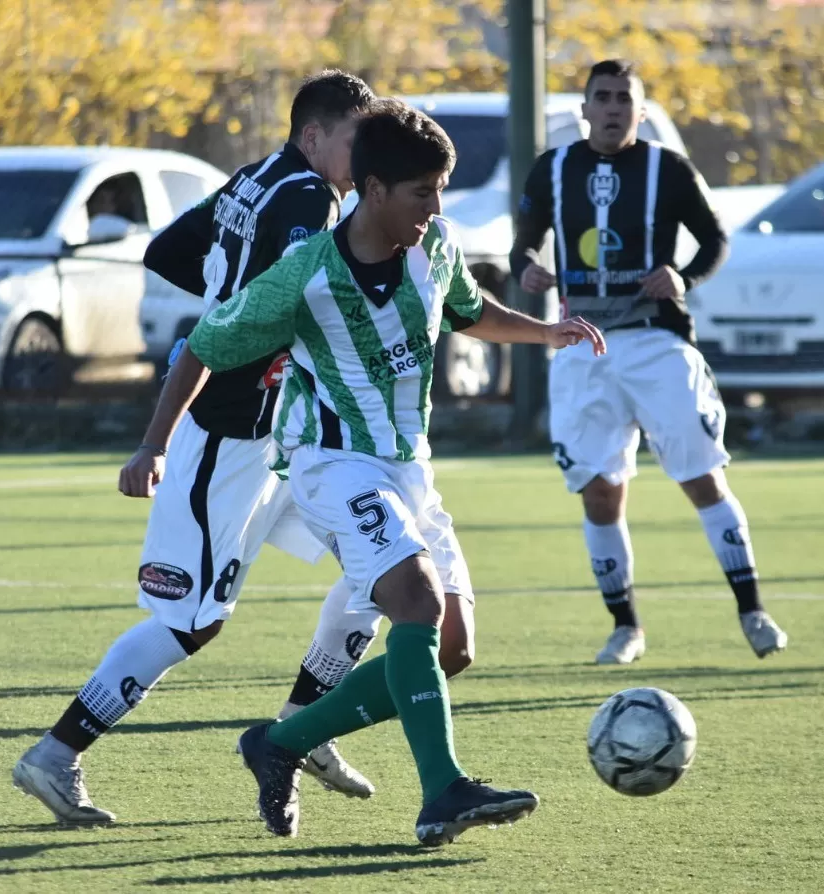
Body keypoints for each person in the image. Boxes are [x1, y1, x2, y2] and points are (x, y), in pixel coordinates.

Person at [167, 99, 604, 846]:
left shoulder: (436, 247)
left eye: (441, 190)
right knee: (416, 601)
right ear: (372, 190)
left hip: (408, 469)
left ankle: (281, 742)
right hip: (330, 462)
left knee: (453, 647)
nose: (436, 208)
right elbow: (206, 342)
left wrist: (545, 333)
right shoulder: (306, 272)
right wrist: (152, 446)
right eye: (421, 193)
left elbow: (467, 310)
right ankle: (443, 792)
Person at [12, 71, 383, 825]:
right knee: (191, 622)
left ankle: (304, 727)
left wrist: (227, 294)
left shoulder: (254, 177)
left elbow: (168, 251)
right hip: (230, 435)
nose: (368, 153)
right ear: (314, 135)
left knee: (382, 567)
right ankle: (57, 752)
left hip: (281, 434)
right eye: (357, 138)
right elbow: (287, 306)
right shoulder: (308, 199)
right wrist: (233, 325)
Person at [510, 58, 788, 665]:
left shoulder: (669, 168)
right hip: (581, 345)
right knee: (599, 493)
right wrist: (526, 267)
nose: (613, 108)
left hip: (655, 341)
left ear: (639, 110)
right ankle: (626, 628)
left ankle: (752, 610)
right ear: (584, 109)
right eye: (603, 97)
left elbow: (715, 239)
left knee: (701, 478)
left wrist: (682, 276)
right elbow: (523, 244)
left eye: (623, 98)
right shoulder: (552, 168)